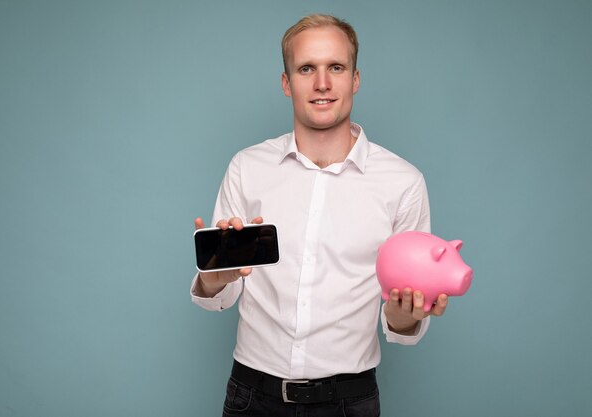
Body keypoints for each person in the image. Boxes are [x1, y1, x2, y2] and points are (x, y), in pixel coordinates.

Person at [190, 14, 449, 417]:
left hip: (350, 402)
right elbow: (217, 295)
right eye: (306, 68)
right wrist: (213, 277)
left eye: (336, 68)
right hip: (251, 397)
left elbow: (403, 321)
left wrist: (402, 317)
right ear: (286, 82)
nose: (322, 83)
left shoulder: (404, 182)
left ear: (355, 79)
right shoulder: (247, 167)